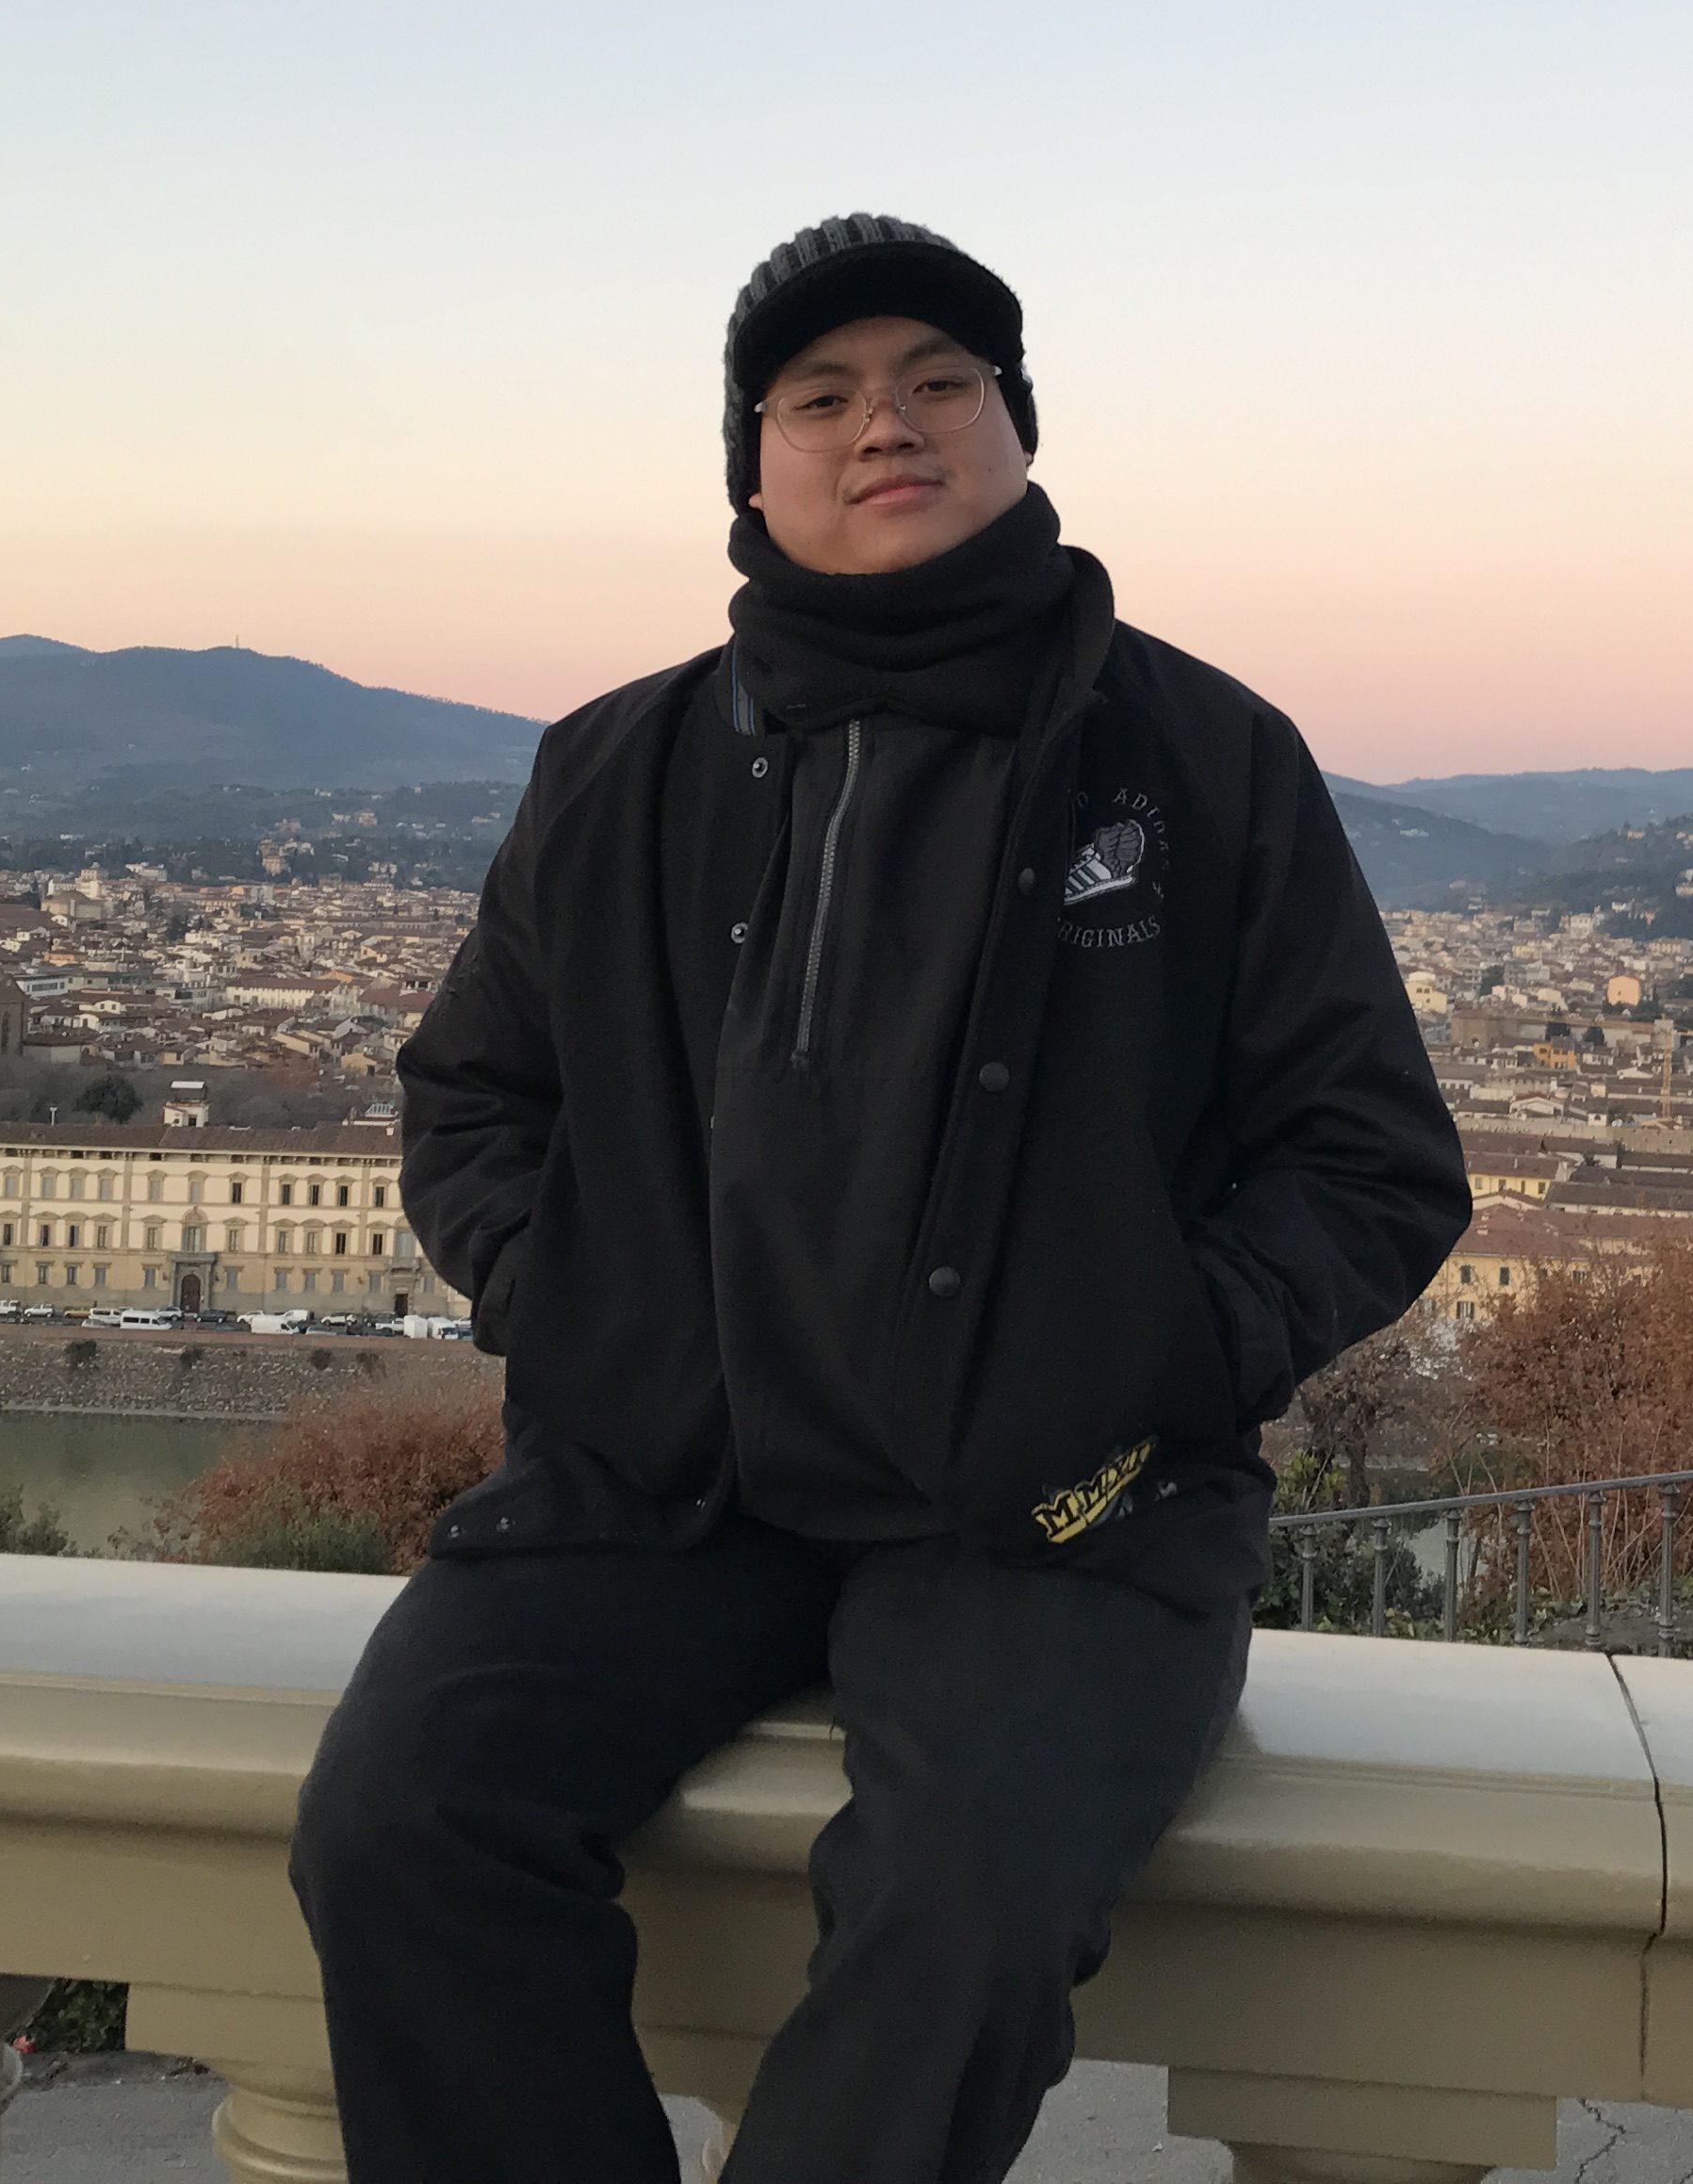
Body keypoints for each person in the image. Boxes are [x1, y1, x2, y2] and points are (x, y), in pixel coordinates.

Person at [290, 212, 1468, 2184]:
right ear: (755, 466)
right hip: (663, 1481)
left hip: (1056, 1510)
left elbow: (1374, 1160)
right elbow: (473, 1101)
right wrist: (584, 1311)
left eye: (940, 380)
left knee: (966, 1912)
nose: (884, 424)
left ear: (1017, 429)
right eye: (821, 395)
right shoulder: (617, 768)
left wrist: (1145, 1353)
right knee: (399, 1823)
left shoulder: (1198, 758)